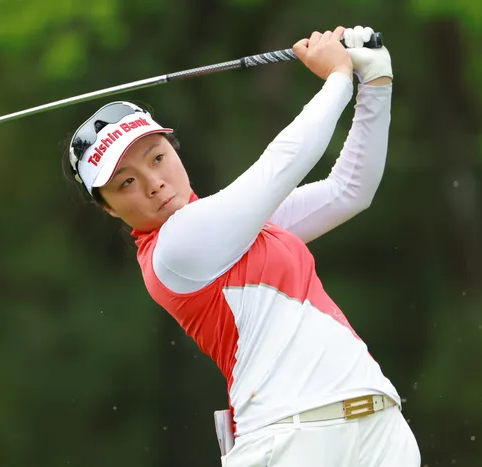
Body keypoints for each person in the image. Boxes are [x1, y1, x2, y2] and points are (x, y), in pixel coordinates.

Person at [65, 25, 420, 467]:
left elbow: (349, 190)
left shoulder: (238, 224)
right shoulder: (174, 250)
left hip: (378, 427)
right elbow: (282, 163)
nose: (153, 183)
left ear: (175, 150)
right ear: (109, 208)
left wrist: (376, 82)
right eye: (126, 183)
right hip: (290, 439)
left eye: (157, 158)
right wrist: (338, 78)